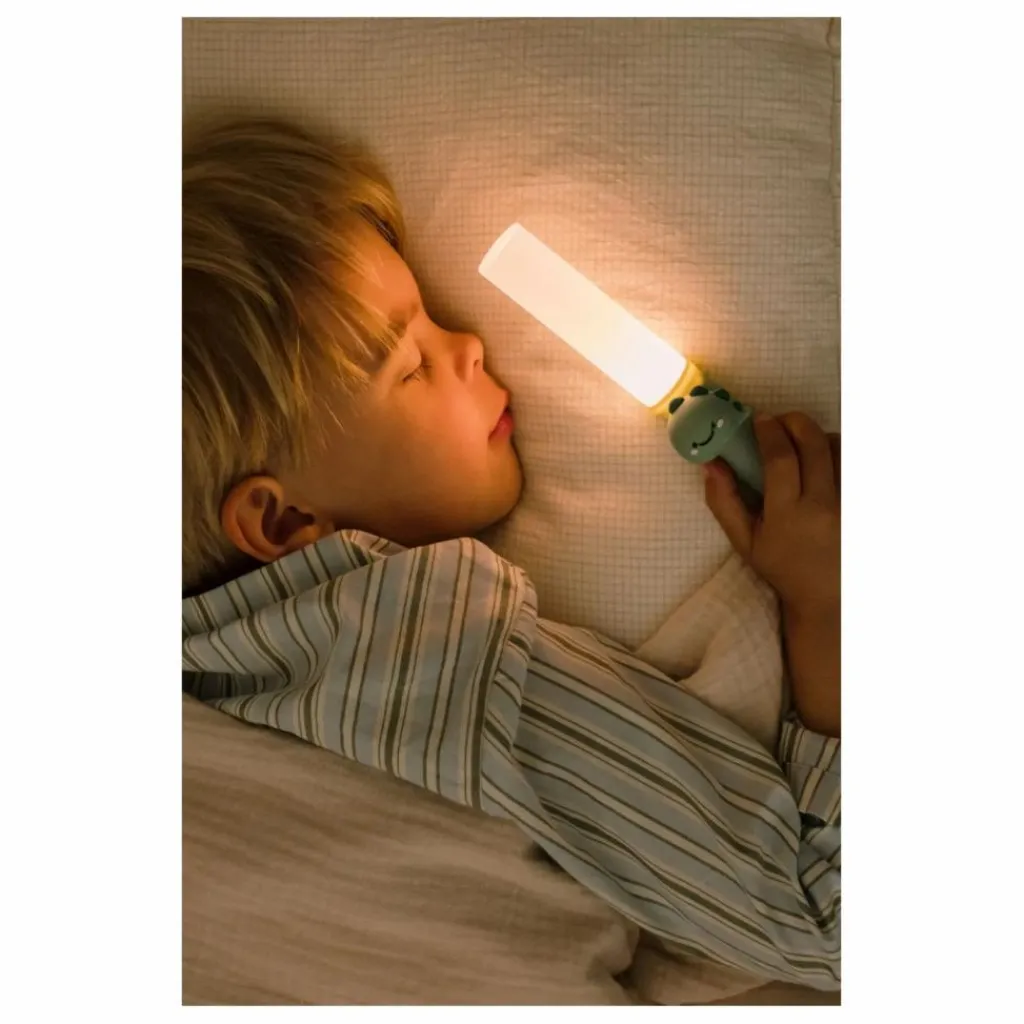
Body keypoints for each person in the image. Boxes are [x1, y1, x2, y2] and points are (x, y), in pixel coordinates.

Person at [182, 117, 841, 990]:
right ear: (280, 521)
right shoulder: (439, 656)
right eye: (411, 364)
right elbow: (825, 914)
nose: (469, 344)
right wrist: (829, 606)